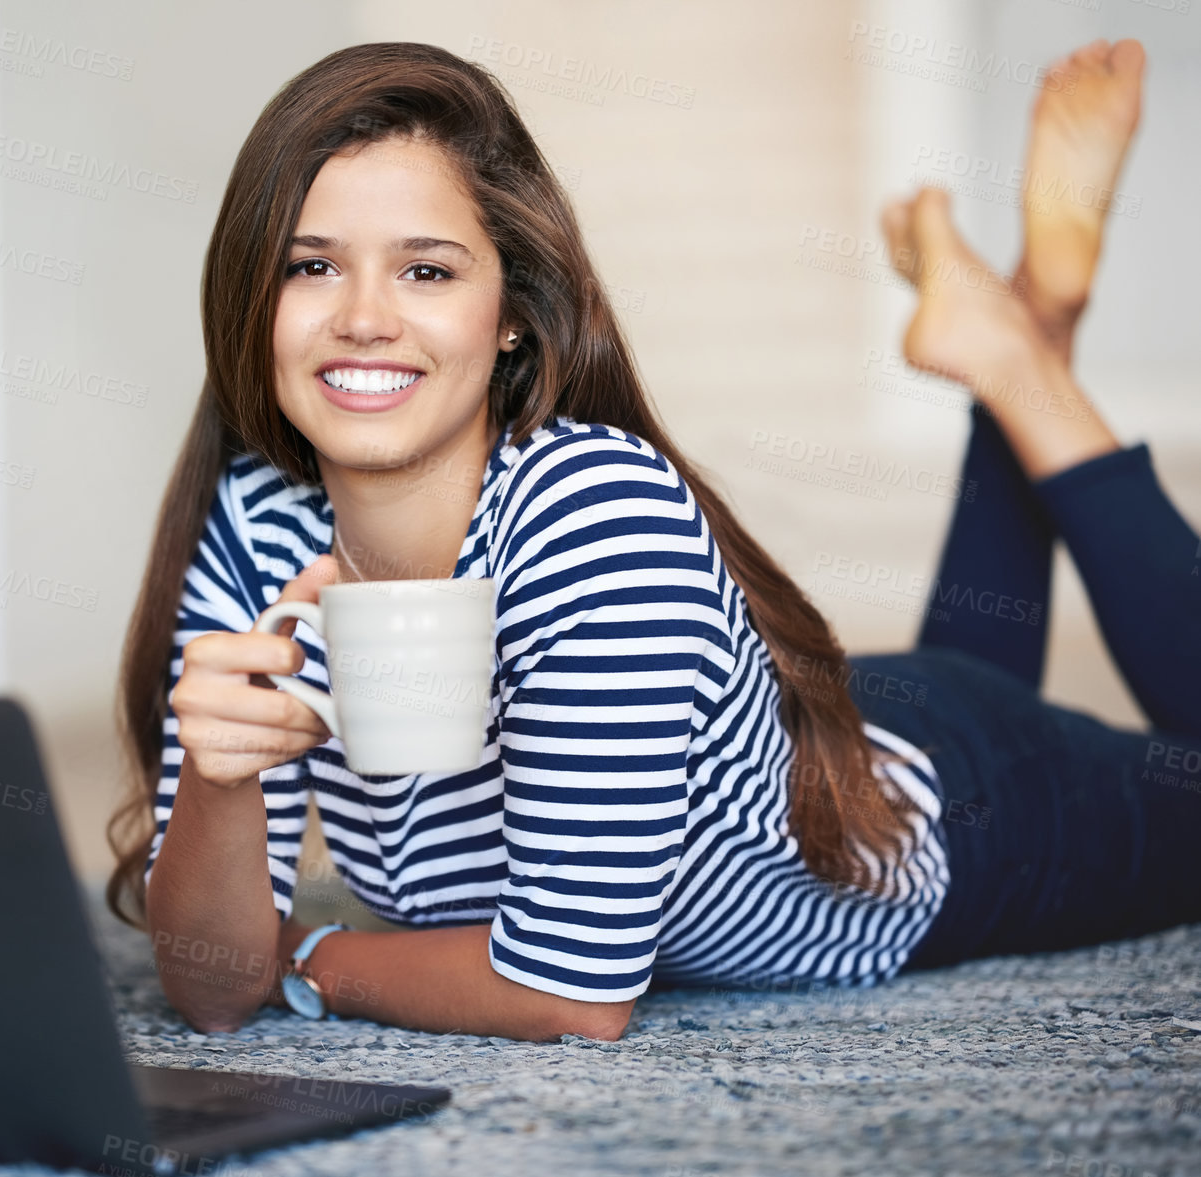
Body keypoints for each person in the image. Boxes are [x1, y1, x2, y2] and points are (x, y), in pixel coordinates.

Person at [106, 38, 1199, 1042]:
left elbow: (571, 993)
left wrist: (314, 956)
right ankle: (1024, 332)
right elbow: (210, 987)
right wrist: (217, 777)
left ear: (514, 315)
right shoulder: (254, 522)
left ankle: (1018, 359)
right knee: (971, 659)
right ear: (255, 302)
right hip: (835, 725)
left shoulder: (594, 511)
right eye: (312, 266)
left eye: (427, 270)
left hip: (977, 817)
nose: (362, 316)